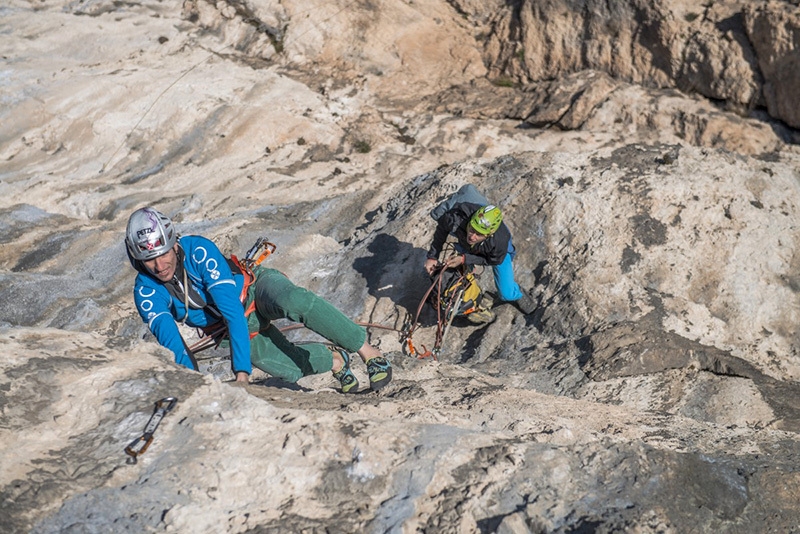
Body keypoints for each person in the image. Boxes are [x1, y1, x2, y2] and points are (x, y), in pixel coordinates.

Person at [124, 206, 392, 393]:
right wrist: (194, 389)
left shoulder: (198, 251)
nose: (159, 266)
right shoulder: (146, 291)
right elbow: (174, 345)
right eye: (148, 259)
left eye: (163, 254)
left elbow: (232, 312)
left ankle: (370, 353)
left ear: (173, 243)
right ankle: (335, 360)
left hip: (254, 291)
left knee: (295, 301)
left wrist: (242, 373)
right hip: (227, 331)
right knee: (290, 370)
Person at [424, 189, 536, 315]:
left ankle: (517, 294)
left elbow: (493, 260)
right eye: (472, 229)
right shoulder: (457, 218)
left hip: (494, 254)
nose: (473, 236)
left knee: (506, 294)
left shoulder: (500, 242)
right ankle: (469, 299)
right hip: (467, 245)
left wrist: (464, 259)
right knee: (460, 273)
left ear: (489, 234)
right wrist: (432, 257)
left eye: (479, 234)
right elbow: (442, 230)